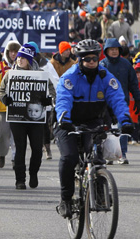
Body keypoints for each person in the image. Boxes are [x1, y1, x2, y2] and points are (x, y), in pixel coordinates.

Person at [55, 39, 134, 218]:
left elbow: (117, 99)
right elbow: (63, 100)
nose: (92, 62)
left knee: (97, 158)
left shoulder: (106, 76)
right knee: (69, 157)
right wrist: (64, 119)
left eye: (94, 58)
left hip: (93, 121)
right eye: (87, 59)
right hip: (68, 123)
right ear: (80, 60)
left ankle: (99, 192)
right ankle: (65, 199)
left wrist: (125, 120)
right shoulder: (69, 77)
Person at [0, 44, 56, 189]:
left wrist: (48, 100)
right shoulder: (10, 74)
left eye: (23, 58)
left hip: (36, 118)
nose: (19, 60)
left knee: (37, 148)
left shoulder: (41, 74)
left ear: (29, 60)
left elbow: (52, 90)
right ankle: (20, 179)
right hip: (17, 117)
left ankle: (33, 172)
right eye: (18, 58)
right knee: (20, 148)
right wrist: (5, 99)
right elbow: (1, 91)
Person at [99, 38, 140, 165]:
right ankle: (107, 155)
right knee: (106, 130)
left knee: (123, 128)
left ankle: (122, 153)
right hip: (105, 104)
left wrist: (138, 100)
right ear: (106, 51)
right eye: (111, 49)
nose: (114, 51)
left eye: (116, 49)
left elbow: (133, 84)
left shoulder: (126, 64)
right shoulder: (102, 65)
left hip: (122, 102)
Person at [0, 40, 21, 168]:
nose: (14, 54)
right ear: (7, 53)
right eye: (11, 51)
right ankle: (1, 154)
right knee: (1, 134)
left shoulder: (25, 67)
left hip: (19, 108)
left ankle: (15, 158)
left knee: (17, 136)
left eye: (16, 52)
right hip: (3, 108)